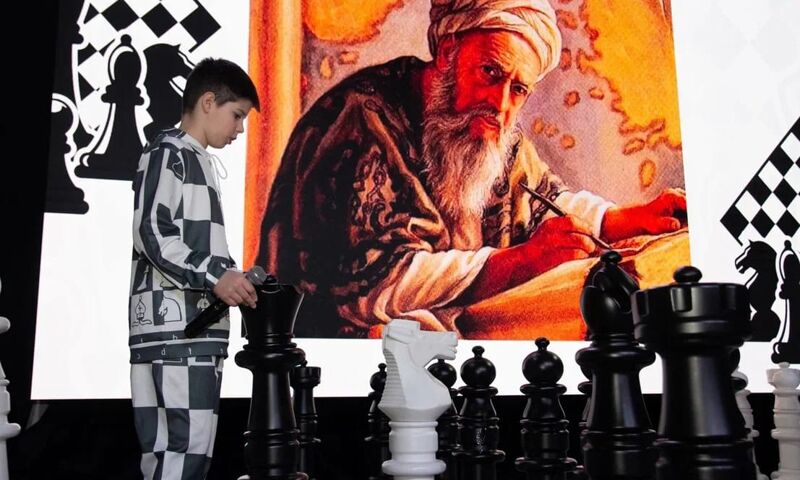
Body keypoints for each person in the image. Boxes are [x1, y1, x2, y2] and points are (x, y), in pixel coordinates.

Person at [256, 0, 686, 338]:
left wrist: (624, 220)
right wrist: (519, 262)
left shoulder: (491, 129)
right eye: (490, 72)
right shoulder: (362, 118)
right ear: (448, 52)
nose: (501, 104)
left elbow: (542, 199)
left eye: (518, 89)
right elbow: (377, 285)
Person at [128, 57, 260, 479]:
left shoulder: (188, 156)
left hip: (181, 331)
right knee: (185, 454)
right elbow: (152, 232)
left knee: (171, 456)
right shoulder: (170, 151)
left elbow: (176, 239)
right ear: (208, 102)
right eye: (237, 115)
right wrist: (217, 276)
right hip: (180, 332)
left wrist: (231, 275)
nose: (240, 129)